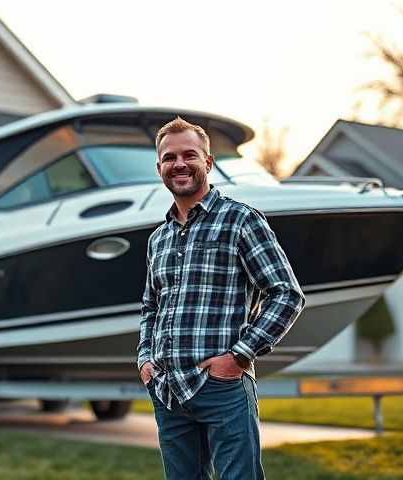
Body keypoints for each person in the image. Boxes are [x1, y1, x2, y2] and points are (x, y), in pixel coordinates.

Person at [137, 117, 305, 479]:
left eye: (189, 155)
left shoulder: (241, 220)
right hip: (168, 392)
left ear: (208, 163)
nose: (179, 164)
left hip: (222, 388)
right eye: (169, 158)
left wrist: (239, 357)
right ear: (159, 168)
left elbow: (286, 294)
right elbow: (151, 308)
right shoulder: (158, 239)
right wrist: (145, 361)